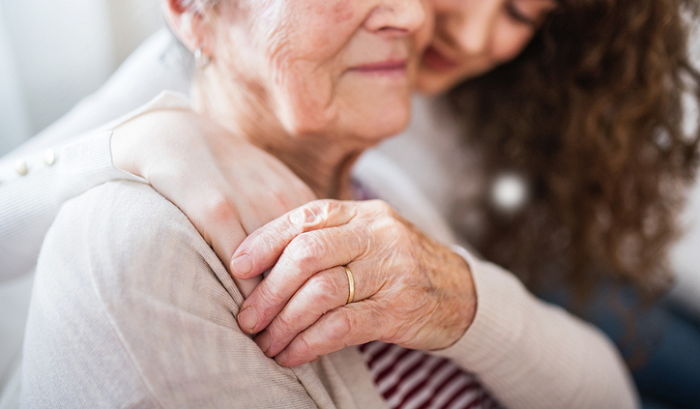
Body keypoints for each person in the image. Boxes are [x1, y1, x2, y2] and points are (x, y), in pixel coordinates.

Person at [2, 0, 698, 407]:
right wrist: (142, 137)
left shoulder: (391, 169)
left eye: (520, 12)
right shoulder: (143, 235)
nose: (464, 31)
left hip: (509, 272)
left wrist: (460, 296)